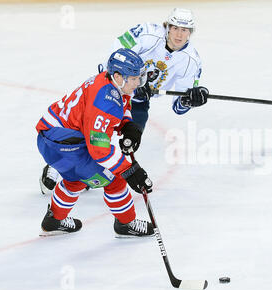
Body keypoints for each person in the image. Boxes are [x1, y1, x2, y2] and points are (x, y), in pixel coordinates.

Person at [39, 8, 209, 194]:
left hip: (139, 101)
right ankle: (57, 165)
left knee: (130, 136)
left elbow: (178, 106)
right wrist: (128, 81)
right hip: (112, 87)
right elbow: (116, 53)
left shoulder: (191, 61)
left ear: (191, 33)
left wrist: (189, 101)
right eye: (175, 27)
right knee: (86, 124)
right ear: (167, 26)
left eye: (184, 30)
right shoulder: (147, 32)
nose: (179, 34)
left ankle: (90, 168)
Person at [37, 48, 155, 237]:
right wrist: (129, 170)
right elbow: (99, 149)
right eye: (134, 78)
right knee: (114, 179)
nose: (138, 83)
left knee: (75, 179)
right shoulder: (105, 101)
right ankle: (126, 224)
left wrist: (127, 124)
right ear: (118, 76)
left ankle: (54, 220)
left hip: (50, 140)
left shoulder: (106, 80)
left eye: (139, 77)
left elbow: (121, 102)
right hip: (68, 146)